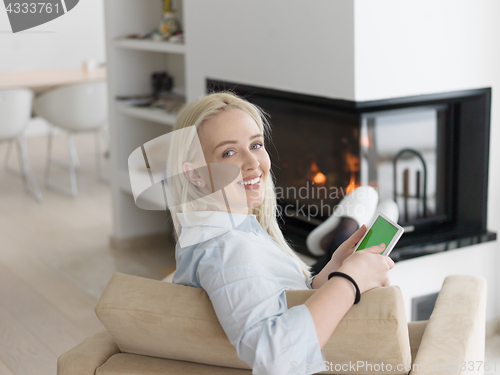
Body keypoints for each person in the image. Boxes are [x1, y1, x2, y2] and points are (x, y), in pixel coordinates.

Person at [168, 92, 394, 375]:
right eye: (229, 152)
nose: (253, 162)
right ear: (195, 174)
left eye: (256, 144)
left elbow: (274, 300)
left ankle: (333, 243)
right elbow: (276, 357)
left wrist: (327, 277)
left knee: (330, 263)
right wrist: (349, 282)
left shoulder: (228, 233)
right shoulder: (227, 249)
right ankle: (337, 232)